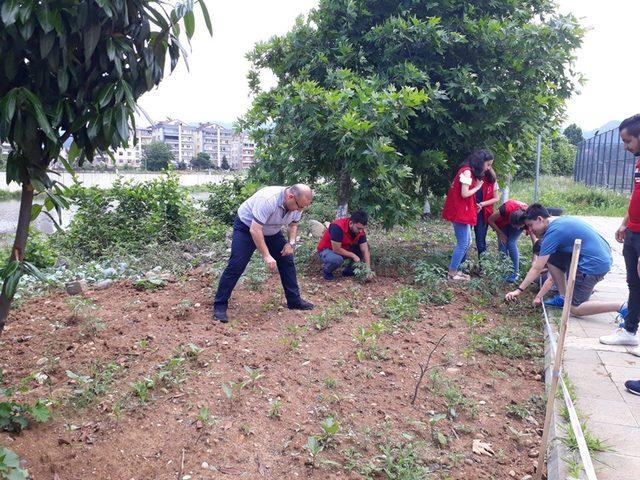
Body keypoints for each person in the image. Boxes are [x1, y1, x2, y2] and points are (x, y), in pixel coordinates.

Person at [212, 184, 315, 323]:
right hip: (247, 228)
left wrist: (291, 244)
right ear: (290, 196)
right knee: (237, 264)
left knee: (287, 260)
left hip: (272, 231)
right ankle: (220, 305)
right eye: (299, 206)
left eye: (303, 207)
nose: (300, 210)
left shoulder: (298, 203)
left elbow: (293, 225)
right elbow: (255, 230)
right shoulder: (268, 199)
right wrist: (266, 255)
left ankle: (294, 301)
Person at [505, 204, 626, 320]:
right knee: (552, 257)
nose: (530, 230)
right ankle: (564, 296)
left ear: (540, 219)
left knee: (574, 308)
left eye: (530, 225)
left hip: (593, 265)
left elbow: (537, 268)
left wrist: (518, 290)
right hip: (598, 257)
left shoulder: (553, 234)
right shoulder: (558, 222)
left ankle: (622, 306)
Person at [599, 114, 640, 396]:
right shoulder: (638, 162)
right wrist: (626, 222)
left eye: (628, 140)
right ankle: (629, 329)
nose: (625, 146)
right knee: (633, 284)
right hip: (634, 232)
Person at [442, 150, 494, 281]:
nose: (488, 168)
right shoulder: (467, 172)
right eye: (488, 164)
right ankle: (452, 273)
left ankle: (456, 270)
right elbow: (464, 193)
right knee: (463, 242)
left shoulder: (467, 171)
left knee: (468, 242)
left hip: (462, 210)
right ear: (481, 162)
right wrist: (477, 187)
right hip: (460, 212)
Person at [317, 210, 371, 280]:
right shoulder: (337, 227)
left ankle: (348, 271)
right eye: (359, 228)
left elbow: (365, 250)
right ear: (351, 223)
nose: (361, 231)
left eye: (362, 229)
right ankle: (327, 271)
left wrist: (368, 270)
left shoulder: (360, 230)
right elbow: (336, 250)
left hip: (344, 248)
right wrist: (353, 255)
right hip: (327, 250)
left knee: (366, 247)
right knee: (336, 259)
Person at [487, 200, 528, 282]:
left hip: (520, 219)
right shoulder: (505, 209)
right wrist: (500, 233)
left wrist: (536, 255)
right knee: (502, 242)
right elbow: (490, 220)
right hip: (505, 220)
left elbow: (534, 238)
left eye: (519, 227)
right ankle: (504, 270)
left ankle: (515, 273)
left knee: (511, 242)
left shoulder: (528, 217)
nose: (517, 229)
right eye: (515, 226)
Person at [474, 167, 501, 257]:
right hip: (470, 211)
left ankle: (483, 267)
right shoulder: (472, 177)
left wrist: (482, 204)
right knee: (465, 241)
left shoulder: (491, 180)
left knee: (480, 240)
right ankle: (462, 266)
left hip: (483, 213)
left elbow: (496, 198)